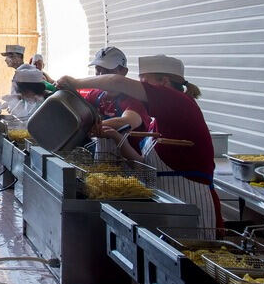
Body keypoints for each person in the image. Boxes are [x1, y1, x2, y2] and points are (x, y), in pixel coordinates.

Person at [57, 54, 218, 229]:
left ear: (164, 82)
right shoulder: (158, 120)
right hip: (166, 202)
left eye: (145, 83)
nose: (140, 89)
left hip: (191, 205)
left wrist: (76, 82)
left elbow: (117, 82)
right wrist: (117, 138)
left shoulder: (180, 102)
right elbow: (143, 165)